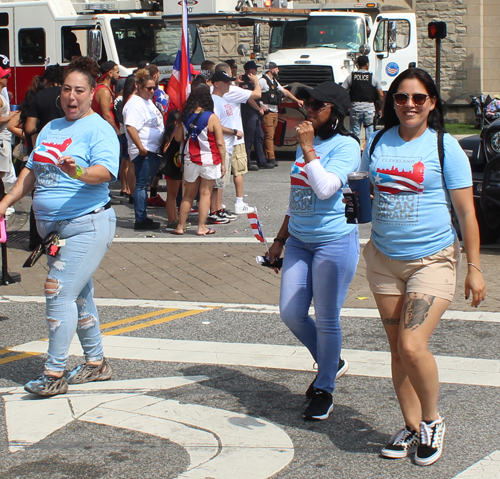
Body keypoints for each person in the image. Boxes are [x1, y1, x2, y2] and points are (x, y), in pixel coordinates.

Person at [361, 68, 486, 466]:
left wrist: (475, 267)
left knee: (413, 345)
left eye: (418, 98)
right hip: (383, 259)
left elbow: (467, 214)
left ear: (432, 102)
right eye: (401, 98)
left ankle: (432, 421)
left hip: (432, 260)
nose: (409, 105)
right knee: (397, 350)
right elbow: (365, 191)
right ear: (391, 102)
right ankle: (411, 427)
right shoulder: (379, 140)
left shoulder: (445, 147)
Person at [0, 56, 119, 397]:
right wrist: (6, 203)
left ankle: (54, 372)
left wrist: (76, 171)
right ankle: (96, 363)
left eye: (79, 91)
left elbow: (105, 173)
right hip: (54, 234)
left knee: (57, 291)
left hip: (87, 225)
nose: (71, 97)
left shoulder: (100, 129)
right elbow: (31, 172)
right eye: (67, 89)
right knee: (78, 295)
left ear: (91, 93)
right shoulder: (51, 128)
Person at [268, 81, 360, 421]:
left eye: (316, 106)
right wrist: (280, 239)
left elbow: (324, 190)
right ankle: (331, 361)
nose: (308, 110)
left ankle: (324, 389)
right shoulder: (307, 144)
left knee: (327, 317)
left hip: (333, 239)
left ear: (333, 111)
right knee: (291, 312)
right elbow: (299, 197)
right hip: (299, 240)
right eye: (307, 104)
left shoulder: (347, 146)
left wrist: (308, 149)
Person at [172, 84, 225, 236]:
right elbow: (220, 143)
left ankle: (180, 226)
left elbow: (177, 138)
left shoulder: (185, 116)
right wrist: (223, 163)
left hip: (190, 159)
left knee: (188, 194)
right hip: (209, 159)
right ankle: (201, 227)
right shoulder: (211, 117)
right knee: (205, 194)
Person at [211, 64, 261, 218]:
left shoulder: (222, 94)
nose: (229, 84)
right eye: (227, 80)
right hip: (230, 139)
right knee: (230, 174)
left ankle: (216, 207)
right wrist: (256, 81)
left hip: (230, 139)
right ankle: (221, 208)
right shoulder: (227, 93)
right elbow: (256, 95)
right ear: (217, 82)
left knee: (220, 179)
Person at [123, 68, 164, 230]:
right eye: (148, 88)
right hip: (145, 151)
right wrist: (141, 148)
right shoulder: (135, 103)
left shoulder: (145, 101)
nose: (152, 91)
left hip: (151, 150)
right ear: (138, 86)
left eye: (154, 88)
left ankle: (142, 216)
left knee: (144, 184)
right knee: (141, 185)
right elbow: (131, 127)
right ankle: (140, 219)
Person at [259, 62, 304, 166]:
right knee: (269, 136)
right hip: (267, 112)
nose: (278, 71)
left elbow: (284, 92)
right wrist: (260, 106)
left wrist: (297, 100)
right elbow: (255, 94)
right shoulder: (262, 81)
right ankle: (270, 158)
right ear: (271, 70)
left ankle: (267, 156)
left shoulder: (274, 81)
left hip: (274, 110)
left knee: (271, 135)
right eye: (276, 69)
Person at [239, 61, 272, 170]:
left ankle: (261, 161)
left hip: (255, 112)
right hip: (248, 112)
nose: (256, 71)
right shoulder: (244, 82)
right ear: (249, 70)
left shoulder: (253, 81)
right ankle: (247, 162)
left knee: (259, 137)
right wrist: (259, 109)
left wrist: (260, 107)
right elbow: (249, 99)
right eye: (254, 69)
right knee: (249, 138)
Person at [342, 55, 384, 141]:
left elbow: (342, 90)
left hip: (355, 108)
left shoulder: (351, 77)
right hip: (369, 109)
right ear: (367, 64)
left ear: (357, 65)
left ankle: (356, 152)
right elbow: (381, 95)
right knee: (370, 135)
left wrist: (346, 105)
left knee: (355, 134)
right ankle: (369, 153)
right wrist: (380, 108)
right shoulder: (373, 77)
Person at [159, 110, 183, 229]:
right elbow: (165, 149)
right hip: (171, 166)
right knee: (171, 195)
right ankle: (171, 220)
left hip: (175, 166)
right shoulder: (172, 132)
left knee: (174, 194)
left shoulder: (171, 132)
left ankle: (175, 219)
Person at [0, 58, 17, 198]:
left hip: (5, 138)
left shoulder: (2, 95)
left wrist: (13, 114)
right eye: (6, 76)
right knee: (1, 173)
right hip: (1, 140)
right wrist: (12, 117)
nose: (8, 78)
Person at [92, 60, 120, 136]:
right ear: (110, 74)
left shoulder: (103, 88)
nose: (119, 75)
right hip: (106, 131)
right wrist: (116, 130)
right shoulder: (104, 91)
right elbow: (106, 115)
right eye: (117, 72)